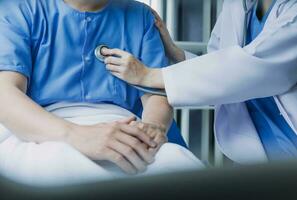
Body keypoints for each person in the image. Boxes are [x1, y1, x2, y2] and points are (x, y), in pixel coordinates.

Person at [0, 0, 202, 186]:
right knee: (56, 168)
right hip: (42, 127)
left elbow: (156, 93)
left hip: (125, 125)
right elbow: (6, 94)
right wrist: (79, 136)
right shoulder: (20, 10)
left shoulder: (140, 16)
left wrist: (152, 129)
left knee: (176, 162)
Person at [101, 0, 297, 163]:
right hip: (262, 151)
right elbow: (220, 75)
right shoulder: (238, 5)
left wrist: (149, 75)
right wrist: (176, 53)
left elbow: (252, 69)